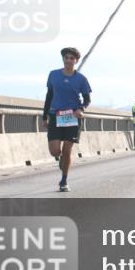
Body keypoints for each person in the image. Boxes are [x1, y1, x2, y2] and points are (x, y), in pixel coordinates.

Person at [43, 47, 92, 192]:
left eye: (72, 58)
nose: (69, 60)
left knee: (67, 151)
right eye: (66, 58)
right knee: (54, 151)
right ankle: (61, 160)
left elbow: (87, 99)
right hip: (55, 115)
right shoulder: (53, 75)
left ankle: (64, 181)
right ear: (63, 59)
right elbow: (49, 96)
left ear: (76, 61)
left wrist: (81, 109)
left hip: (72, 117)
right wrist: (44, 116)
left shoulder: (81, 79)